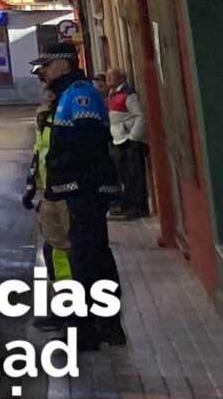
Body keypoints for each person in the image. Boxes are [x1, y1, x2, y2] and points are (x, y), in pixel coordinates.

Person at [30, 42, 125, 349]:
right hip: (73, 189)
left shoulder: (79, 94)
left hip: (84, 190)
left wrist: (61, 168)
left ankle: (88, 331)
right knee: (90, 257)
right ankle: (103, 326)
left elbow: (88, 142)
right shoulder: (64, 96)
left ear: (64, 64)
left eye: (46, 65)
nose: (42, 72)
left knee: (88, 261)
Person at [106, 71, 151, 221]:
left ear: (121, 78)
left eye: (111, 76)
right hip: (118, 139)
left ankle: (138, 207)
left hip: (129, 140)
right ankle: (128, 205)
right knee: (125, 175)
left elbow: (140, 115)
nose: (108, 79)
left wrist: (133, 137)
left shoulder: (128, 94)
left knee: (135, 174)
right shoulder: (111, 94)